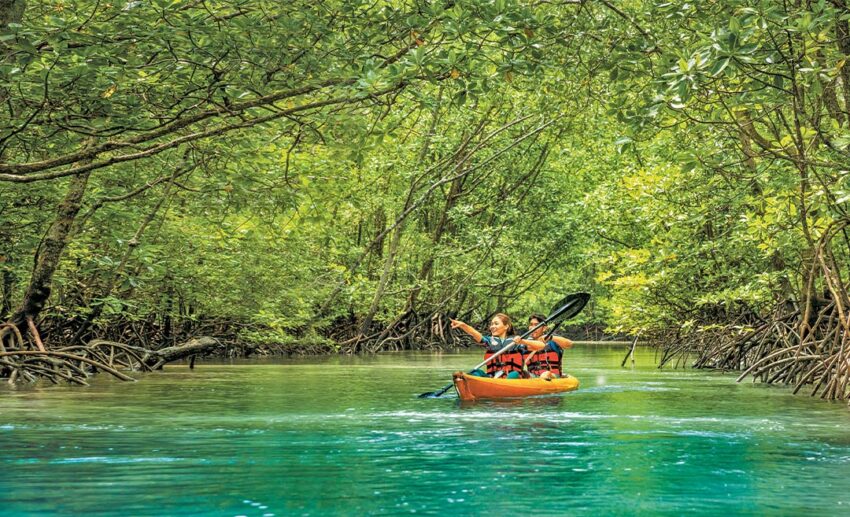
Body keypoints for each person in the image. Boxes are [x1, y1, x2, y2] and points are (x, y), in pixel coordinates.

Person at [450, 313, 543, 378]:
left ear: (506, 326)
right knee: (476, 372)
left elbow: (541, 346)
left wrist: (523, 341)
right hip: (493, 377)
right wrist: (462, 325)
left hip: (513, 377)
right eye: (491, 324)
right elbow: (475, 334)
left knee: (514, 374)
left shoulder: (516, 342)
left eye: (496, 324)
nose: (492, 326)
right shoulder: (490, 341)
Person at [522, 313, 573, 380]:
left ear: (544, 328)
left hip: (552, 376)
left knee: (545, 374)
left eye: (536, 325)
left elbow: (569, 344)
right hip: (532, 377)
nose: (532, 328)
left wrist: (551, 337)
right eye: (531, 325)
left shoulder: (552, 340)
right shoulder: (525, 343)